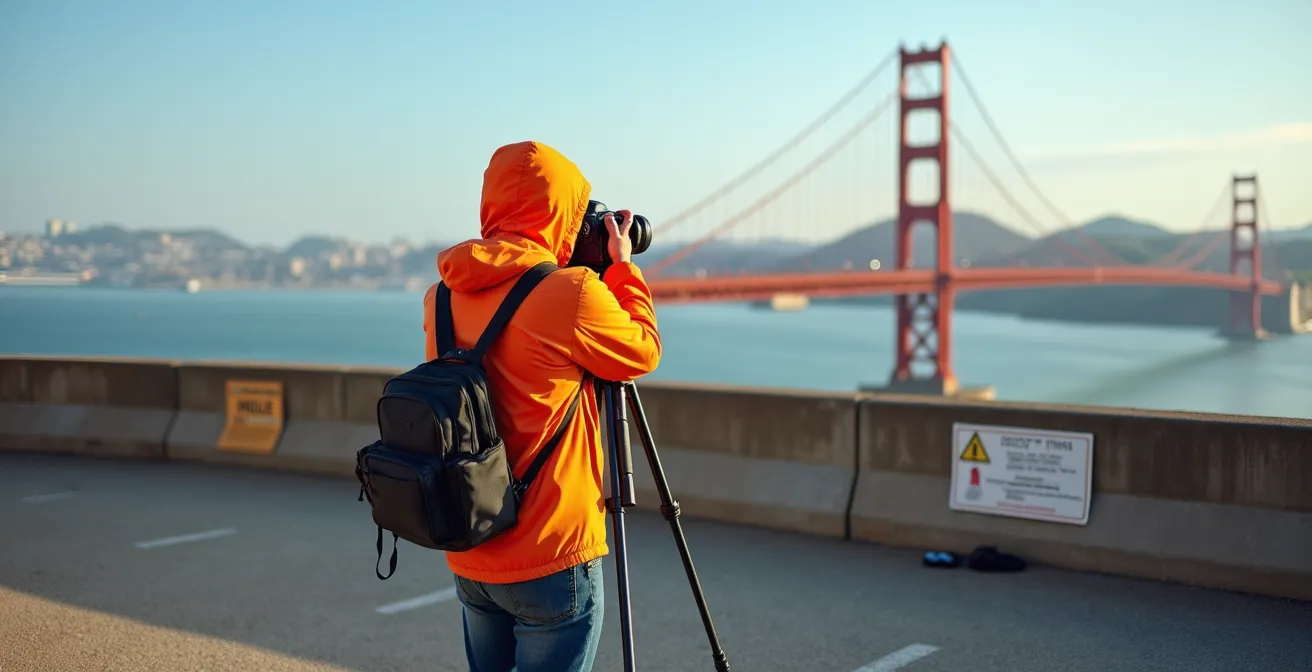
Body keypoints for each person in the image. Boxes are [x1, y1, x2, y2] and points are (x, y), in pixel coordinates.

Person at [422, 140, 662, 671]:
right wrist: (620, 269)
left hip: (472, 542)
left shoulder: (441, 294)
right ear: (562, 213)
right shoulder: (571, 293)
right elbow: (642, 350)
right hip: (551, 551)